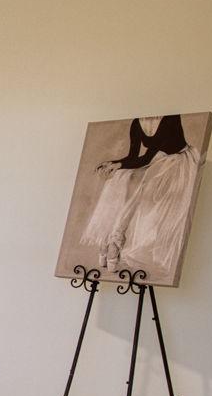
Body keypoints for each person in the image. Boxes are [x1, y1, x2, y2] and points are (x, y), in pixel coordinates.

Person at [80, 114, 202, 275]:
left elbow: (146, 158)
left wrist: (118, 164)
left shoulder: (170, 119)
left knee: (142, 182)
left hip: (178, 161)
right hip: (157, 160)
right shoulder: (137, 123)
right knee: (119, 177)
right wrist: (113, 163)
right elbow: (133, 156)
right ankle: (109, 236)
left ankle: (115, 239)